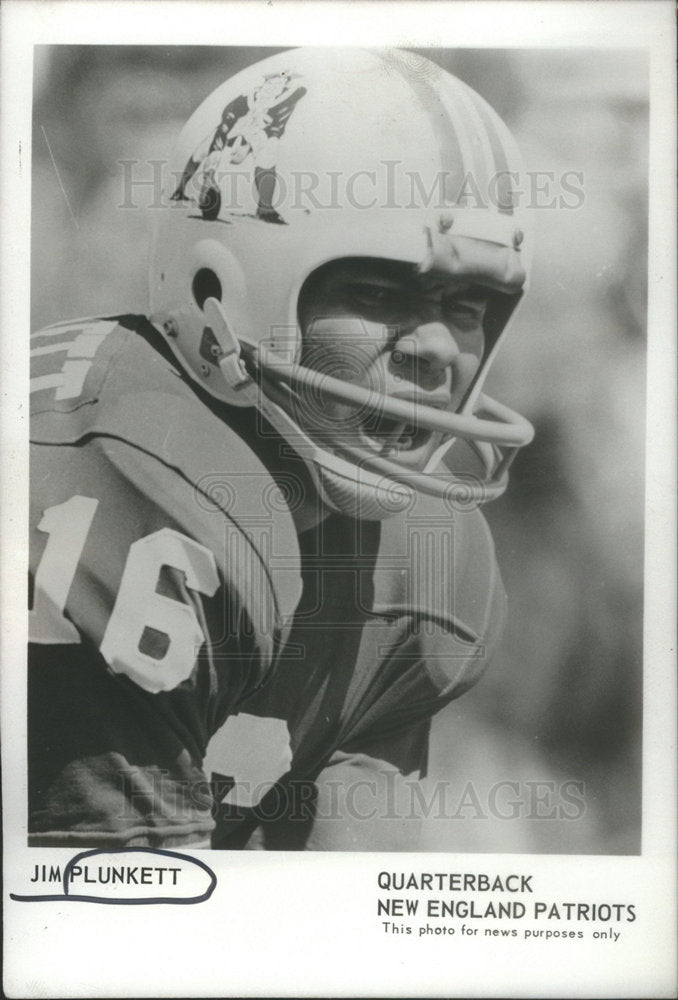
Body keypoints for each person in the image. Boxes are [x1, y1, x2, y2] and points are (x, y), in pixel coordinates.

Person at [28, 47, 533, 850]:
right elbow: (106, 932)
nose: (438, 347)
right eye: (376, 292)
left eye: (468, 305)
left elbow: (353, 898)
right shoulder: (116, 490)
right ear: (215, 294)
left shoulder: (434, 565)